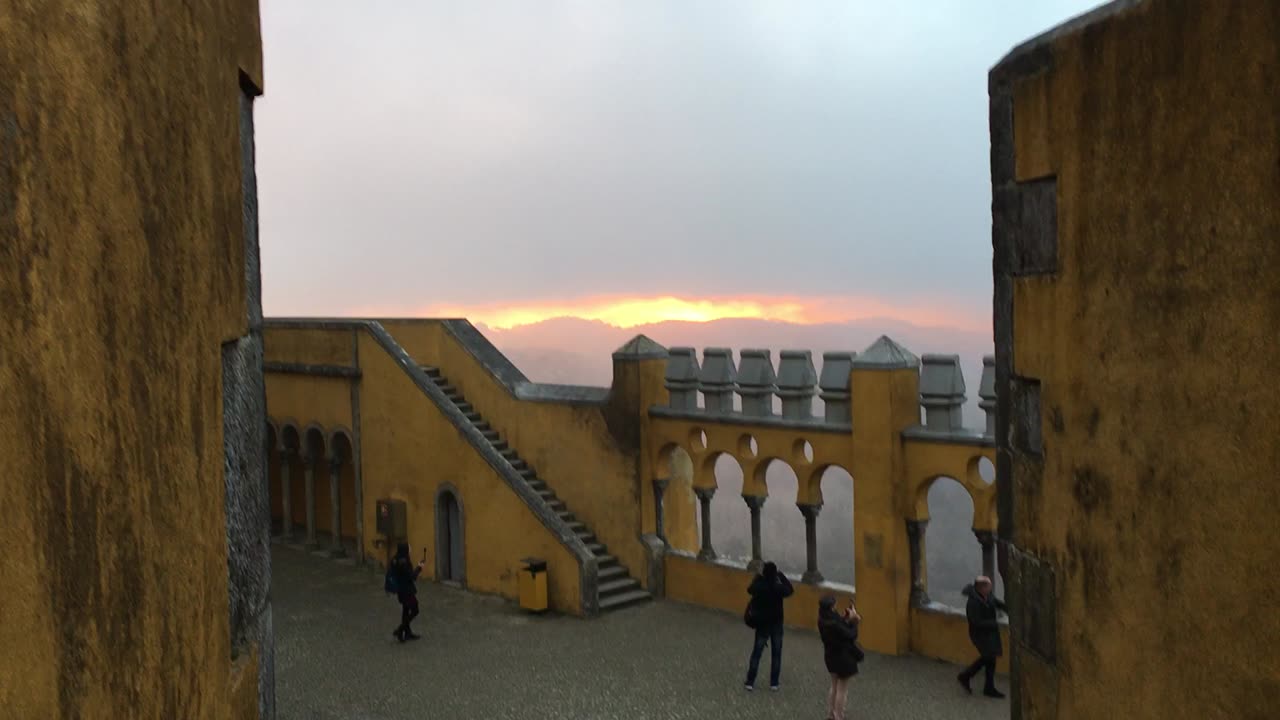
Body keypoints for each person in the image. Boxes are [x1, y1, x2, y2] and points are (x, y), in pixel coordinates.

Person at [744, 561, 794, 691]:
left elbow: (749, 589)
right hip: (776, 623)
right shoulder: (778, 588)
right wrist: (781, 576)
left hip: (762, 623)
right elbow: (790, 589)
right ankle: (774, 683)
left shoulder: (760, 585)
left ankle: (750, 681)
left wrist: (759, 576)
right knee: (776, 653)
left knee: (757, 653)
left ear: (764, 572)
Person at [957, 575, 1007, 698]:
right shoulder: (973, 603)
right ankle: (966, 676)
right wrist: (994, 623)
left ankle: (988, 687)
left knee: (990, 658)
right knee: (988, 656)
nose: (991, 589)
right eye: (989, 587)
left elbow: (996, 603)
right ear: (981, 588)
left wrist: (1010, 609)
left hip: (990, 632)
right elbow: (976, 622)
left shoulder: (987, 596)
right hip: (979, 634)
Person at [818, 596, 863, 720]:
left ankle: (831, 714)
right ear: (831, 607)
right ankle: (839, 716)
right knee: (842, 689)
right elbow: (851, 635)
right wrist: (854, 621)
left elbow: (838, 626)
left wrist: (844, 618)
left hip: (830, 656)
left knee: (834, 686)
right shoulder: (833, 624)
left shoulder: (822, 619)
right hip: (843, 658)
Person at [389, 543, 425, 642]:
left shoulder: (395, 559)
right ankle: (400, 629)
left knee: (406, 610)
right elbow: (411, 577)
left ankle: (407, 633)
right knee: (415, 609)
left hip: (401, 589)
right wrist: (419, 568)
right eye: (409, 547)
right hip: (406, 591)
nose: (410, 548)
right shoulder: (404, 562)